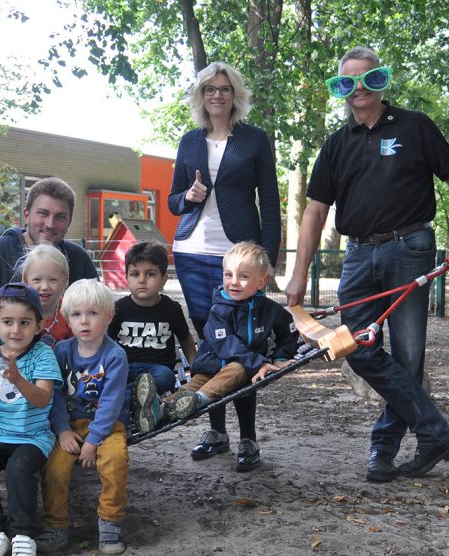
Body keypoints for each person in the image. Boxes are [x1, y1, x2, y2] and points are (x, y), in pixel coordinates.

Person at [284, 46, 449, 482]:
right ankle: (434, 432)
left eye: (368, 78)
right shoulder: (337, 144)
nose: (358, 88)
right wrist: (299, 272)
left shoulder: (415, 126)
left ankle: (384, 448)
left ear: (381, 81)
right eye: (347, 81)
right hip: (357, 254)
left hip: (409, 247)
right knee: (357, 347)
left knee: (408, 356)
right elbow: (314, 211)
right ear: (340, 89)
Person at [167, 61, 281, 465]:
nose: (217, 95)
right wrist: (189, 197)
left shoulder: (254, 140)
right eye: (210, 89)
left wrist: (269, 259)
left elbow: (269, 200)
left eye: (225, 88)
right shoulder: (189, 141)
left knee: (243, 346)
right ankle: (216, 432)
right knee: (213, 347)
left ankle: (248, 439)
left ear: (236, 95)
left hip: (238, 254)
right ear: (201, 96)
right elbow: (173, 200)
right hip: (192, 253)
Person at [149, 242, 299, 472]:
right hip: (210, 368)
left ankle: (245, 439)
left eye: (243, 276)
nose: (233, 282)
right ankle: (160, 409)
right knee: (191, 388)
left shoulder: (270, 310)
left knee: (240, 371)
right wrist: (260, 362)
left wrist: (279, 358)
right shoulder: (219, 309)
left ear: (261, 281)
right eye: (228, 275)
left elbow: (289, 332)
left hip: (242, 370)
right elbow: (227, 345)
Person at [0, 283, 61, 556]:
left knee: (20, 469)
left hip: (33, 436)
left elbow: (42, 399)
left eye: (25, 322)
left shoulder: (43, 354)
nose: (16, 330)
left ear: (39, 326)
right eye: (8, 322)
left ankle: (23, 533)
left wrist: (18, 379)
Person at [39, 279, 130, 555]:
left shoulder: (115, 355)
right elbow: (54, 395)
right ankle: (56, 525)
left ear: (108, 316)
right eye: (77, 315)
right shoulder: (61, 351)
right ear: (68, 318)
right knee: (54, 467)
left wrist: (93, 441)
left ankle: (110, 523)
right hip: (69, 424)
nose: (85, 321)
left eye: (93, 313)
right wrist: (62, 430)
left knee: (115, 461)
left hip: (107, 425)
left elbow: (112, 403)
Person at [0, 177, 98, 326]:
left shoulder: (80, 260)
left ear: (69, 221)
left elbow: (98, 316)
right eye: (43, 214)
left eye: (60, 217)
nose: (50, 224)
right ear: (27, 215)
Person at [107, 242, 196, 430]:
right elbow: (107, 342)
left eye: (150, 274)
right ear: (126, 278)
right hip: (124, 367)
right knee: (114, 381)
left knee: (167, 377)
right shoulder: (118, 309)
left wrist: (196, 368)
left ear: (164, 278)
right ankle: (145, 406)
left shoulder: (171, 309)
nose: (141, 280)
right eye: (135, 274)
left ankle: (140, 400)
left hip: (156, 370)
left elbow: (186, 339)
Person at [20, 243, 72, 346]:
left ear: (63, 281)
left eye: (53, 280)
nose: (44, 287)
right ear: (26, 280)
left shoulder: (70, 310)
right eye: (37, 280)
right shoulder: (18, 310)